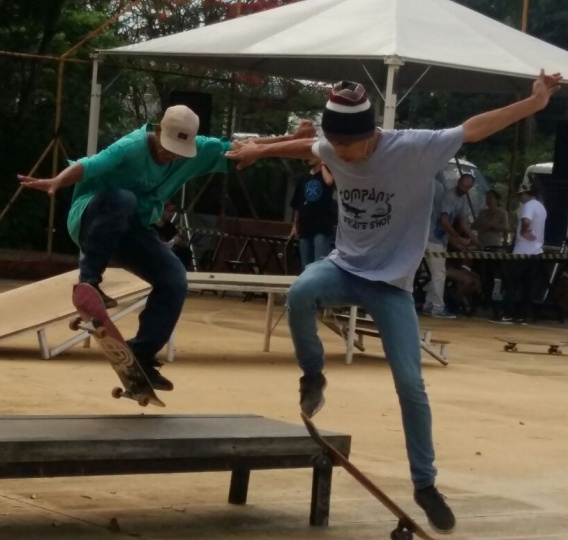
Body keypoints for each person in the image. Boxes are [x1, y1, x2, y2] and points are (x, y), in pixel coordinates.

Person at [226, 70, 562, 535]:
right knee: (300, 291)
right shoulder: (332, 147)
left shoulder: (415, 147)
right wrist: (258, 150)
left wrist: (534, 104)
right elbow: (305, 147)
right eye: (334, 146)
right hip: (344, 267)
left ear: (370, 134)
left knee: (410, 385)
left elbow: (475, 128)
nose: (339, 155)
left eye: (348, 147)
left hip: (391, 286)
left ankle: (425, 484)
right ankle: (313, 375)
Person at [19, 105, 311, 391]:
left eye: (177, 152)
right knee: (123, 199)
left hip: (133, 231)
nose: (169, 156)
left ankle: (141, 356)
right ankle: (89, 282)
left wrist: (292, 139)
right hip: (92, 219)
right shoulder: (131, 146)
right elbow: (90, 165)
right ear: (158, 130)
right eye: (166, 148)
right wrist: (57, 181)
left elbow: (246, 148)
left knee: (174, 277)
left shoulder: (201, 149)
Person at [424, 172, 481, 318]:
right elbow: (444, 221)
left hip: (440, 239)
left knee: (438, 272)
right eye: (463, 185)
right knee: (439, 273)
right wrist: (458, 239)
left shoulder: (461, 199)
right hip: (432, 237)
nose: (464, 189)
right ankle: (437, 307)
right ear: (458, 182)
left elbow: (462, 221)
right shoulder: (449, 196)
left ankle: (429, 304)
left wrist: (474, 239)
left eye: (467, 188)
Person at [493, 178, 547, 323]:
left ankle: (508, 313)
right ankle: (524, 314)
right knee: (527, 286)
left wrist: (523, 232)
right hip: (536, 252)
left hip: (522, 252)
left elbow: (526, 221)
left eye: (521, 195)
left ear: (526, 194)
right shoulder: (541, 207)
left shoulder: (527, 206)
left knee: (512, 283)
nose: (520, 198)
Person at [290, 157, 336, 270]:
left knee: (319, 264)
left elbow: (329, 182)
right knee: (306, 265)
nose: (309, 157)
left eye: (313, 154)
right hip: (305, 226)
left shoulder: (326, 175)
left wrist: (323, 165)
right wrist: (295, 226)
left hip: (322, 226)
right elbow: (297, 204)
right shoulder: (303, 178)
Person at [153, 202, 193, 270]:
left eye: (172, 211)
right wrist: (172, 242)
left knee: (185, 252)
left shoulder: (170, 227)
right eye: (169, 211)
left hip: (169, 253)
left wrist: (180, 242)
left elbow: (181, 242)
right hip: (156, 254)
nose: (171, 214)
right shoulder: (151, 227)